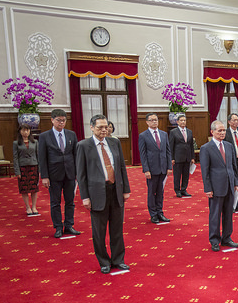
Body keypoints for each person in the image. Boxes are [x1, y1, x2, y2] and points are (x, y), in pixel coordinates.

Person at [76, 115, 131, 274]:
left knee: (117, 229)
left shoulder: (114, 142)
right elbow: (81, 174)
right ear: (92, 127)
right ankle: (104, 261)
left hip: (115, 190)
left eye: (106, 127)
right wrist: (85, 197)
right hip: (97, 193)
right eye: (100, 127)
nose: (104, 130)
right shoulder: (83, 145)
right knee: (99, 232)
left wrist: (126, 189)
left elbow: (121, 167)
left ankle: (118, 260)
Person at [38, 109, 81, 238]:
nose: (61, 123)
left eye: (63, 120)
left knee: (70, 201)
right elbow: (42, 158)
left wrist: (78, 172)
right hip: (53, 174)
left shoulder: (71, 134)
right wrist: (44, 176)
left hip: (70, 173)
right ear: (52, 120)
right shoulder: (45, 136)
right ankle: (57, 227)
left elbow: (76, 155)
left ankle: (69, 225)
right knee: (55, 202)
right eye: (58, 120)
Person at [199, 120, 238, 252]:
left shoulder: (229, 146)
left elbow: (233, 166)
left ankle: (227, 238)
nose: (222, 133)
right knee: (215, 215)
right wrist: (207, 188)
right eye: (219, 131)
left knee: (228, 214)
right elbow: (205, 170)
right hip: (215, 187)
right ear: (212, 132)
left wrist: (235, 183)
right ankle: (214, 240)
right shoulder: (206, 148)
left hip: (229, 185)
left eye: (224, 130)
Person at [139, 113, 171, 224]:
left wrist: (169, 167)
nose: (154, 122)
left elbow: (168, 151)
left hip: (163, 168)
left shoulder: (164, 134)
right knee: (152, 192)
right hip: (151, 169)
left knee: (160, 192)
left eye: (156, 120)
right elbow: (143, 154)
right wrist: (146, 169)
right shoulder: (143, 136)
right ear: (147, 122)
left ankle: (160, 212)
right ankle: (153, 214)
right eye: (151, 120)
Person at [13, 123, 39, 215]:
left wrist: (40, 169)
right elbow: (15, 158)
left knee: (34, 188)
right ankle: (28, 207)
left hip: (33, 166)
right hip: (23, 168)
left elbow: (38, 155)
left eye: (27, 130)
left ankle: (34, 207)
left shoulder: (35, 142)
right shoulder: (16, 143)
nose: (25, 132)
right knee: (24, 189)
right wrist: (17, 171)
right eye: (23, 130)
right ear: (20, 131)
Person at [169, 113, 194, 198]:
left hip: (187, 157)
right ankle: (177, 190)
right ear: (177, 122)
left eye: (184, 120)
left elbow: (191, 145)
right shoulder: (173, 132)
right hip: (177, 158)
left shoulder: (189, 131)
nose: (183, 122)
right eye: (181, 120)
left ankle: (184, 189)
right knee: (177, 175)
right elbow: (171, 146)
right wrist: (172, 158)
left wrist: (192, 157)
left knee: (186, 175)